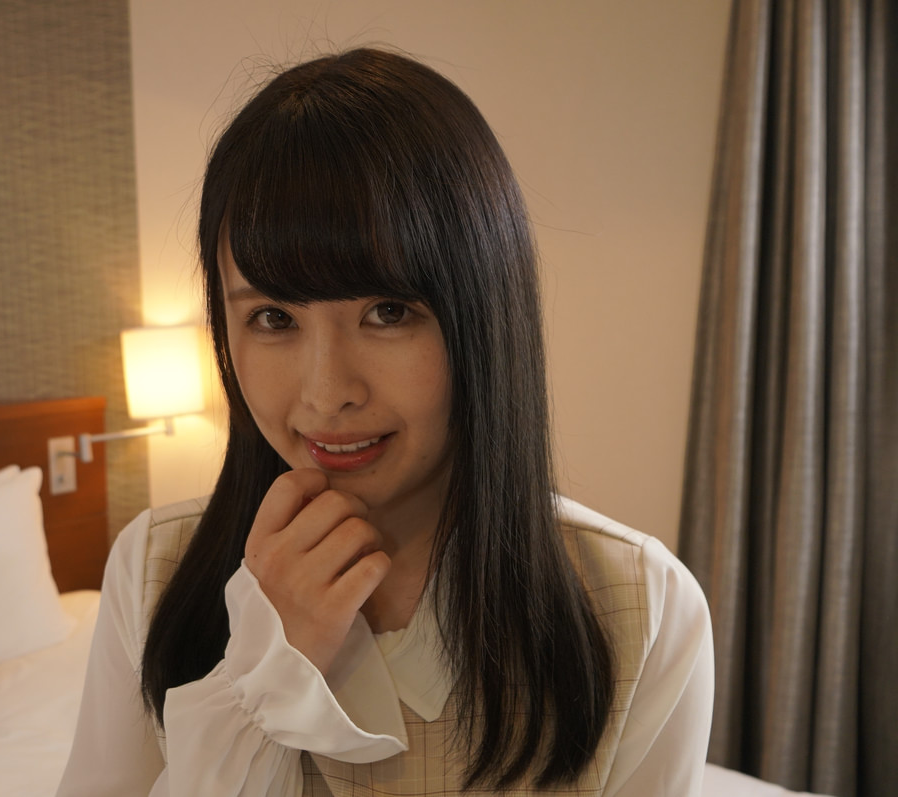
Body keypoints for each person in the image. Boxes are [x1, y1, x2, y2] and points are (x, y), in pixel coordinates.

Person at [57, 47, 714, 796]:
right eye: (273, 317)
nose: (326, 393)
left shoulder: (639, 606)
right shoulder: (154, 570)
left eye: (389, 312)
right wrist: (260, 677)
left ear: (483, 317)